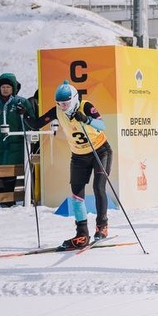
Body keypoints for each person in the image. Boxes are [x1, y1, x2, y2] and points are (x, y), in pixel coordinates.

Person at [26, 82, 113, 248]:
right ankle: (82, 234)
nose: (62, 106)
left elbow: (102, 125)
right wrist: (24, 114)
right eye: (59, 103)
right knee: (76, 195)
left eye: (65, 103)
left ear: (73, 99)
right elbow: (36, 124)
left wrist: (86, 119)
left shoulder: (86, 106)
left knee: (98, 187)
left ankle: (102, 227)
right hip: (79, 156)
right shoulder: (58, 111)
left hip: (100, 152)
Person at [0, 74, 36, 193]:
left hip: (17, 144)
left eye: (8, 86)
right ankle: (4, 199)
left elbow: (32, 120)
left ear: (13, 88)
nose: (5, 89)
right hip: (0, 145)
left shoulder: (21, 102)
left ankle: (14, 199)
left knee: (14, 170)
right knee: (2, 170)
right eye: (3, 87)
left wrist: (24, 114)